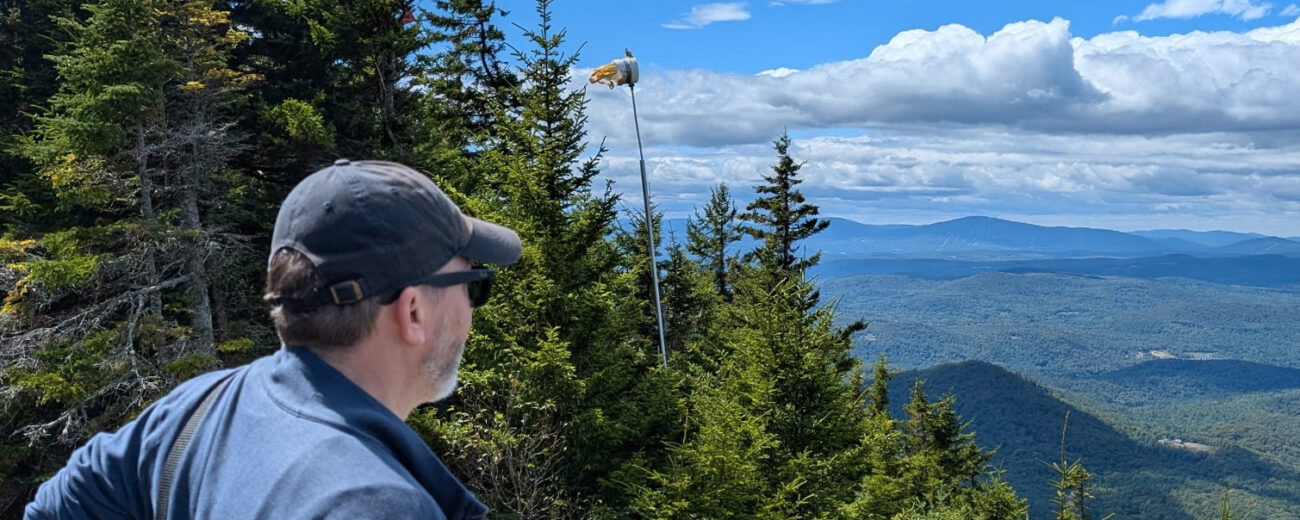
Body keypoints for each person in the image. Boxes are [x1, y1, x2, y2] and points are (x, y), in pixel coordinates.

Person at [25, 159, 519, 519]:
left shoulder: (195, 409)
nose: (470, 311)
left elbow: (51, 509)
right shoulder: (377, 504)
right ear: (413, 312)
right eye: (473, 286)